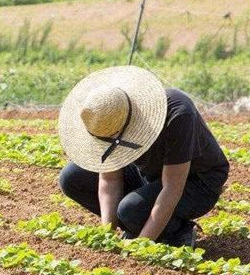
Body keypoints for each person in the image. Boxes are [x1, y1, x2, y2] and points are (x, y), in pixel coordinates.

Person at [57, 66, 229, 247]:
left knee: (130, 210)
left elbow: (172, 188)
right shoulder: (107, 120)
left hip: (196, 182)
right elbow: (109, 180)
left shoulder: (178, 114)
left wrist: (142, 244)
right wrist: (107, 235)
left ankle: (178, 231)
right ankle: (141, 224)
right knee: (71, 177)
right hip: (149, 173)